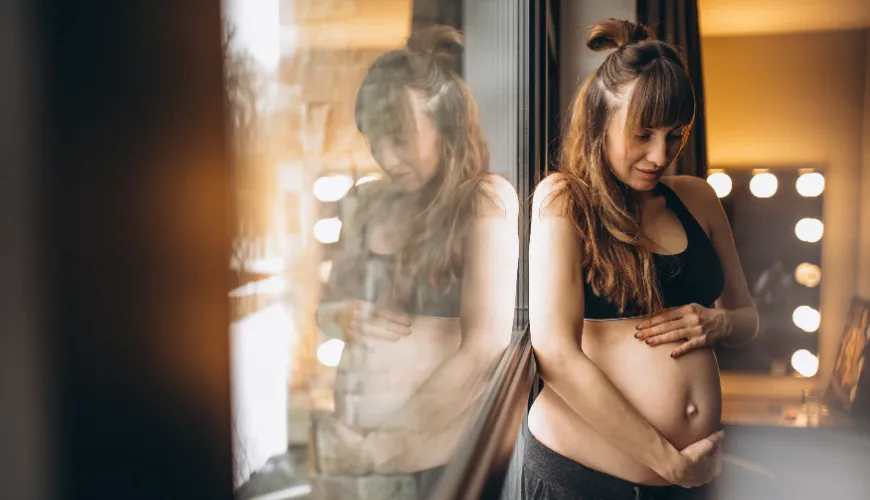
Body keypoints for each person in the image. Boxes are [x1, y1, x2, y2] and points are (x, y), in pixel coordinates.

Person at [524, 19, 759, 500]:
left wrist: (718, 323)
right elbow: (555, 354)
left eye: (676, 135)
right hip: (584, 479)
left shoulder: (697, 198)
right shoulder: (564, 200)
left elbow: (748, 318)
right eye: (643, 134)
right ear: (599, 122)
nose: (660, 155)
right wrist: (668, 461)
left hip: (686, 479)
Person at [313, 25, 519, 498]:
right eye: (373, 140)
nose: (385, 157)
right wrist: (341, 317)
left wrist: (381, 445)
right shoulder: (364, 204)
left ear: (446, 126)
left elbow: (485, 347)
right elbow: (324, 311)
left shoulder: (484, 201)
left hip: (431, 459)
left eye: (400, 139)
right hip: (361, 457)